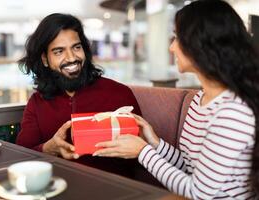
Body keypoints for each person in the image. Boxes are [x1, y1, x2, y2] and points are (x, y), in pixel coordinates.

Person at [93, 0, 259, 199]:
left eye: (177, 38)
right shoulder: (200, 99)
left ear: (200, 44)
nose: (171, 48)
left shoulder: (233, 112)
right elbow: (190, 167)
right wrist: (154, 142)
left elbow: (197, 193)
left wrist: (142, 152)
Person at [16, 13, 142, 178]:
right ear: (45, 59)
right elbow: (22, 156)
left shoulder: (119, 94)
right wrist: (48, 149)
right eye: (59, 51)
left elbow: (143, 157)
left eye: (76, 47)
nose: (71, 58)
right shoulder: (37, 102)